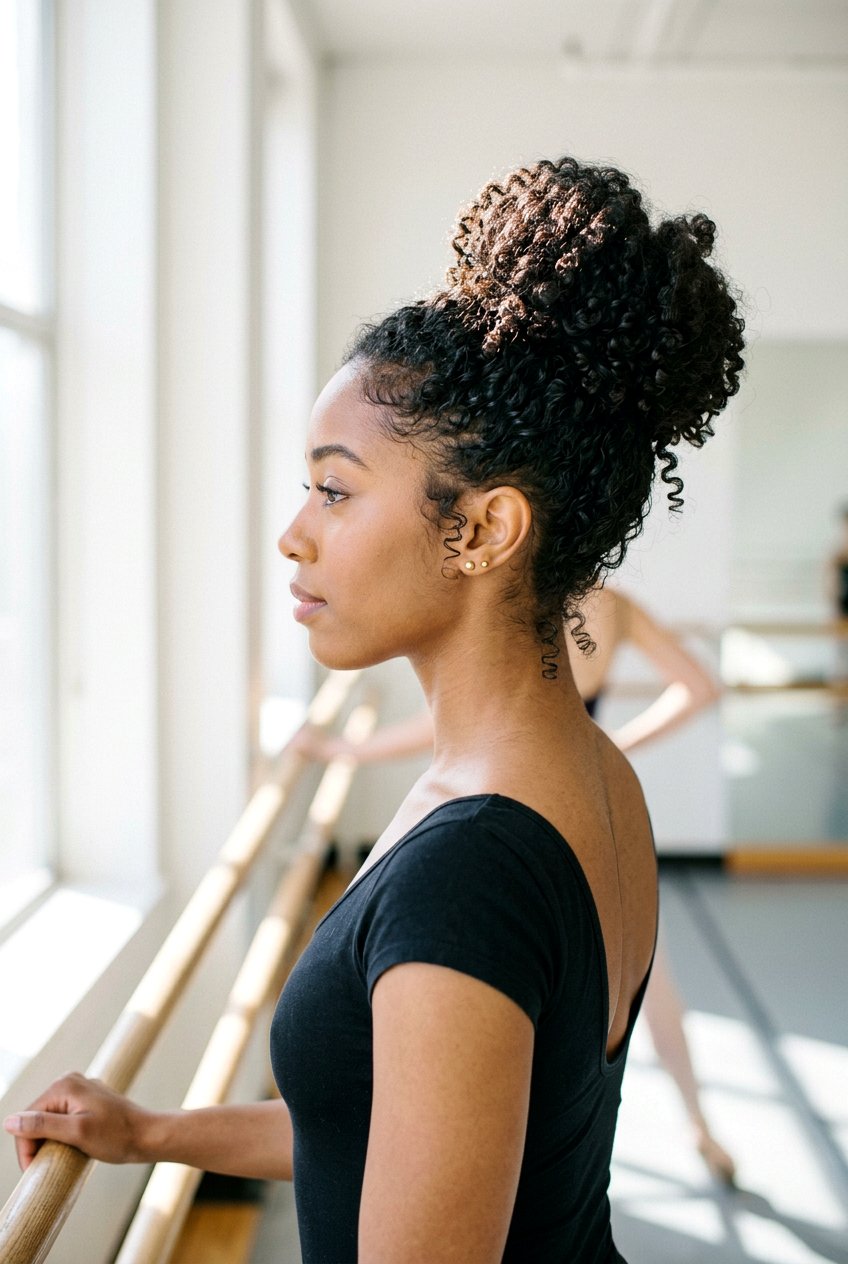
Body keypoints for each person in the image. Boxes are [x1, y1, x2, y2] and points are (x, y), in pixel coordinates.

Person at [5, 156, 744, 1262]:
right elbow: (407, 1132)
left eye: (335, 489)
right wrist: (152, 1130)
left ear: (484, 531)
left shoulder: (470, 871)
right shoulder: (589, 774)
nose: (293, 533)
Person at [294, 584, 737, 1185]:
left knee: (527, 986)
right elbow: (701, 686)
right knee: (641, 983)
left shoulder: (515, 604)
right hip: (597, 800)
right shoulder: (615, 606)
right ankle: (701, 1126)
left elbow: (469, 720)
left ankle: (506, 1148)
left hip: (521, 808)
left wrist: (351, 750)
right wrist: (612, 747)